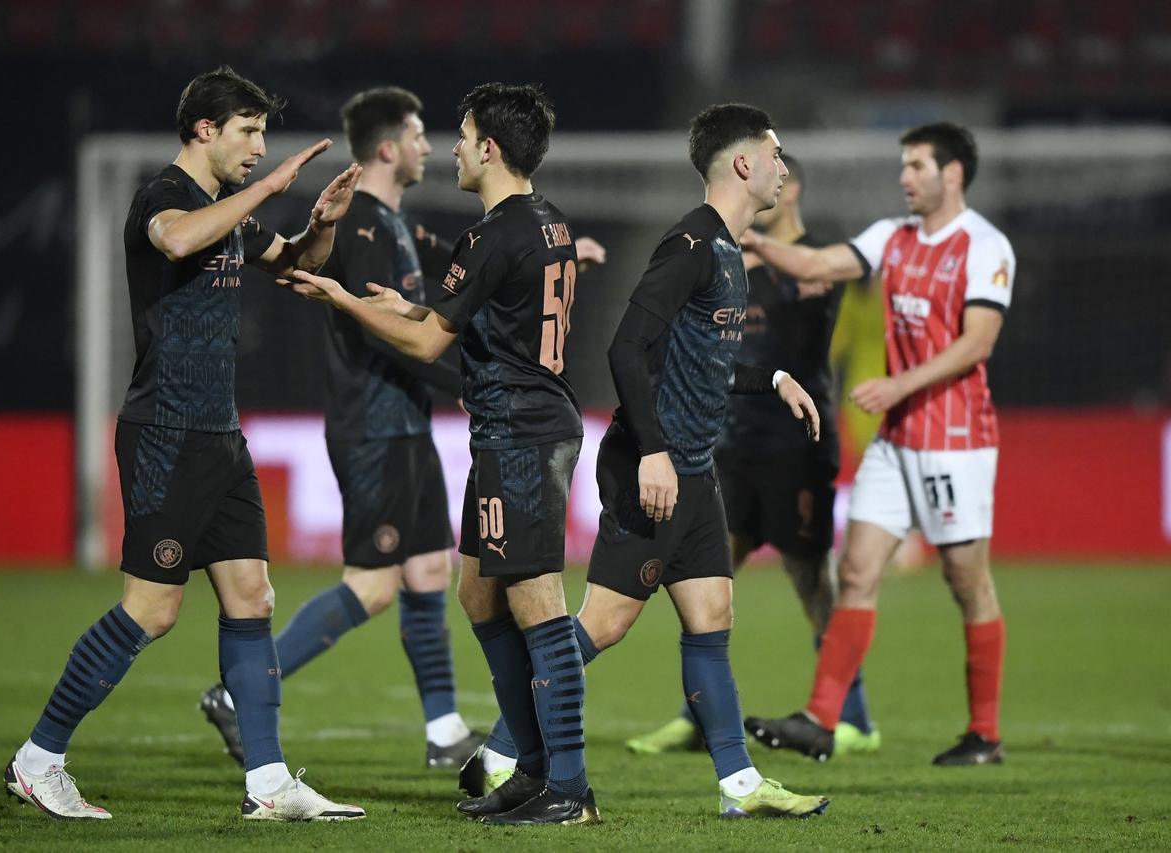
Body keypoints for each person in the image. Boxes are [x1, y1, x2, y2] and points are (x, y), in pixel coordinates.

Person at [4, 66, 367, 822]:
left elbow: (296, 265)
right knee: (151, 610)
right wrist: (266, 193)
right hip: (165, 430)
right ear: (205, 129)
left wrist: (322, 223)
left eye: (264, 134)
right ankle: (38, 759)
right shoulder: (163, 199)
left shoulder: (225, 210)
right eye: (249, 131)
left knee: (252, 596)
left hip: (219, 433)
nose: (261, 148)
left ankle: (267, 783)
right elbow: (174, 243)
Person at [466, 104, 831, 819]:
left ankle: (741, 786)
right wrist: (656, 453)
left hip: (694, 470)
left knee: (711, 613)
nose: (785, 166)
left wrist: (774, 379)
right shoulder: (690, 244)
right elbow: (625, 348)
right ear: (744, 164)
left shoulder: (730, 250)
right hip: (652, 468)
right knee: (601, 624)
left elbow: (694, 367)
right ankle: (506, 749)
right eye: (776, 152)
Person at [288, 83, 600, 826]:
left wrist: (346, 300)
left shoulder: (493, 233)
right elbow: (470, 320)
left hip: (521, 431)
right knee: (477, 593)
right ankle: (530, 768)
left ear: (489, 148)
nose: (453, 148)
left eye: (461, 135)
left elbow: (432, 346)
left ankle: (571, 785)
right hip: (513, 428)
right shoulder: (546, 223)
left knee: (538, 607)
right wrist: (407, 306)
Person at [198, 86, 485, 772]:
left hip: (406, 422)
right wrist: (466, 385)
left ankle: (444, 729)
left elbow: (454, 263)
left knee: (425, 569)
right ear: (388, 146)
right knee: (375, 581)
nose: (428, 147)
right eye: (418, 136)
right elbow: (382, 335)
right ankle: (238, 695)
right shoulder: (358, 222)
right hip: (372, 424)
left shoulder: (394, 224)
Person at [741, 122, 1014, 766]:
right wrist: (747, 238)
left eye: (916, 165)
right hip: (896, 443)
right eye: (904, 165)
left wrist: (898, 386)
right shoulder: (891, 237)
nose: (904, 177)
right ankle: (821, 719)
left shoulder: (985, 245)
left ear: (952, 174)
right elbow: (814, 262)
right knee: (857, 570)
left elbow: (977, 343)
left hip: (955, 442)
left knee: (965, 580)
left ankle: (985, 732)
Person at [624, 155, 880, 758]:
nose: (778, 183)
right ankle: (699, 717)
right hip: (732, 445)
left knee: (811, 579)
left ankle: (855, 717)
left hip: (798, 445)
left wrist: (757, 248)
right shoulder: (726, 259)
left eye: (785, 177)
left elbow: (811, 291)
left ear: (795, 190)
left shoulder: (817, 260)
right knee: (702, 583)